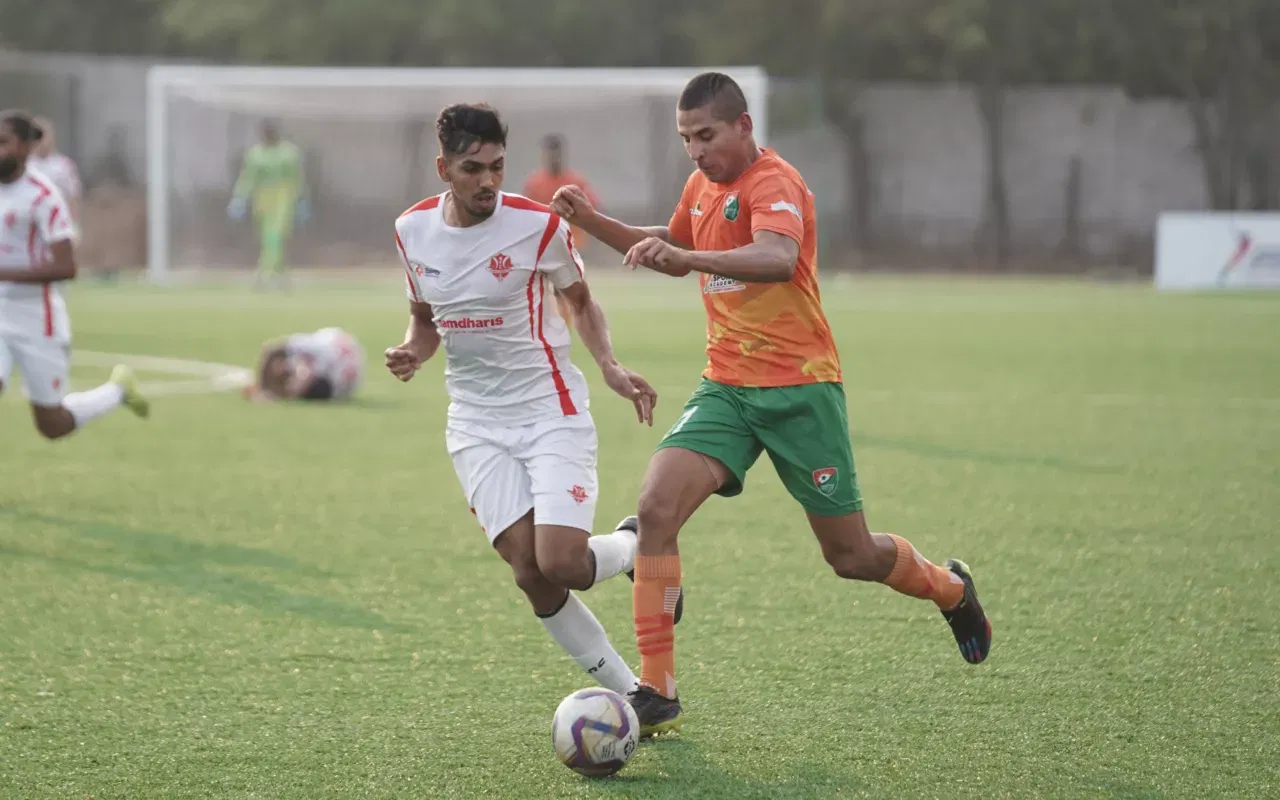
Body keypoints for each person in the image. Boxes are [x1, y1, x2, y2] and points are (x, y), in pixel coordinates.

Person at [551, 73, 993, 736]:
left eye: (706, 135)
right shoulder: (700, 186)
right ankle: (658, 689)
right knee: (654, 509)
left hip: (800, 390)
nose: (695, 151)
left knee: (851, 557)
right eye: (685, 139)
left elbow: (777, 258)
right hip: (727, 387)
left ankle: (950, 589)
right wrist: (591, 222)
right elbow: (669, 248)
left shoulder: (773, 183)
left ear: (743, 127)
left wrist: (686, 254)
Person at [386, 103, 676, 698]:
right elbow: (425, 319)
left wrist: (609, 366)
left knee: (564, 563)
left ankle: (635, 542)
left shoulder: (536, 225)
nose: (488, 181)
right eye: (473, 169)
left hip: (550, 411)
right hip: (474, 424)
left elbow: (581, 301)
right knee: (530, 572)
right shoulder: (411, 231)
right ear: (444, 168)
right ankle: (633, 697)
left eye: (496, 167)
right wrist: (414, 350)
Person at [0, 110, 149, 439]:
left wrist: (3, 273)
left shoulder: (43, 197)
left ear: (25, 147)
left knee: (52, 425)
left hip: (36, 318)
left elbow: (66, 267)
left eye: (3, 143)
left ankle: (117, 391)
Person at [227, 120, 309, 290]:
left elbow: (296, 178)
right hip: (262, 198)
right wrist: (240, 198)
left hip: (283, 197)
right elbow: (247, 178)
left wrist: (301, 199)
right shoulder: (256, 154)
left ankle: (266, 273)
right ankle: (278, 274)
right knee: (269, 238)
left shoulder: (288, 153)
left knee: (275, 236)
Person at [522, 135, 599, 254]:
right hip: (544, 244)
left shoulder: (576, 182)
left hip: (574, 245)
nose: (554, 158)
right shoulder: (534, 183)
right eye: (550, 153)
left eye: (556, 153)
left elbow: (593, 210)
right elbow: (526, 214)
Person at [243, 327, 364, 402]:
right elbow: (271, 350)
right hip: (339, 354)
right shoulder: (315, 349)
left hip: (338, 361)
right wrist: (262, 388)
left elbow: (271, 350)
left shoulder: (317, 356)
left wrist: (265, 391)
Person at [28, 116, 82, 224]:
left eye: (47, 135)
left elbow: (73, 196)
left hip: (56, 221)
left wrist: (73, 223)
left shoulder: (63, 165)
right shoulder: (25, 165)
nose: (44, 141)